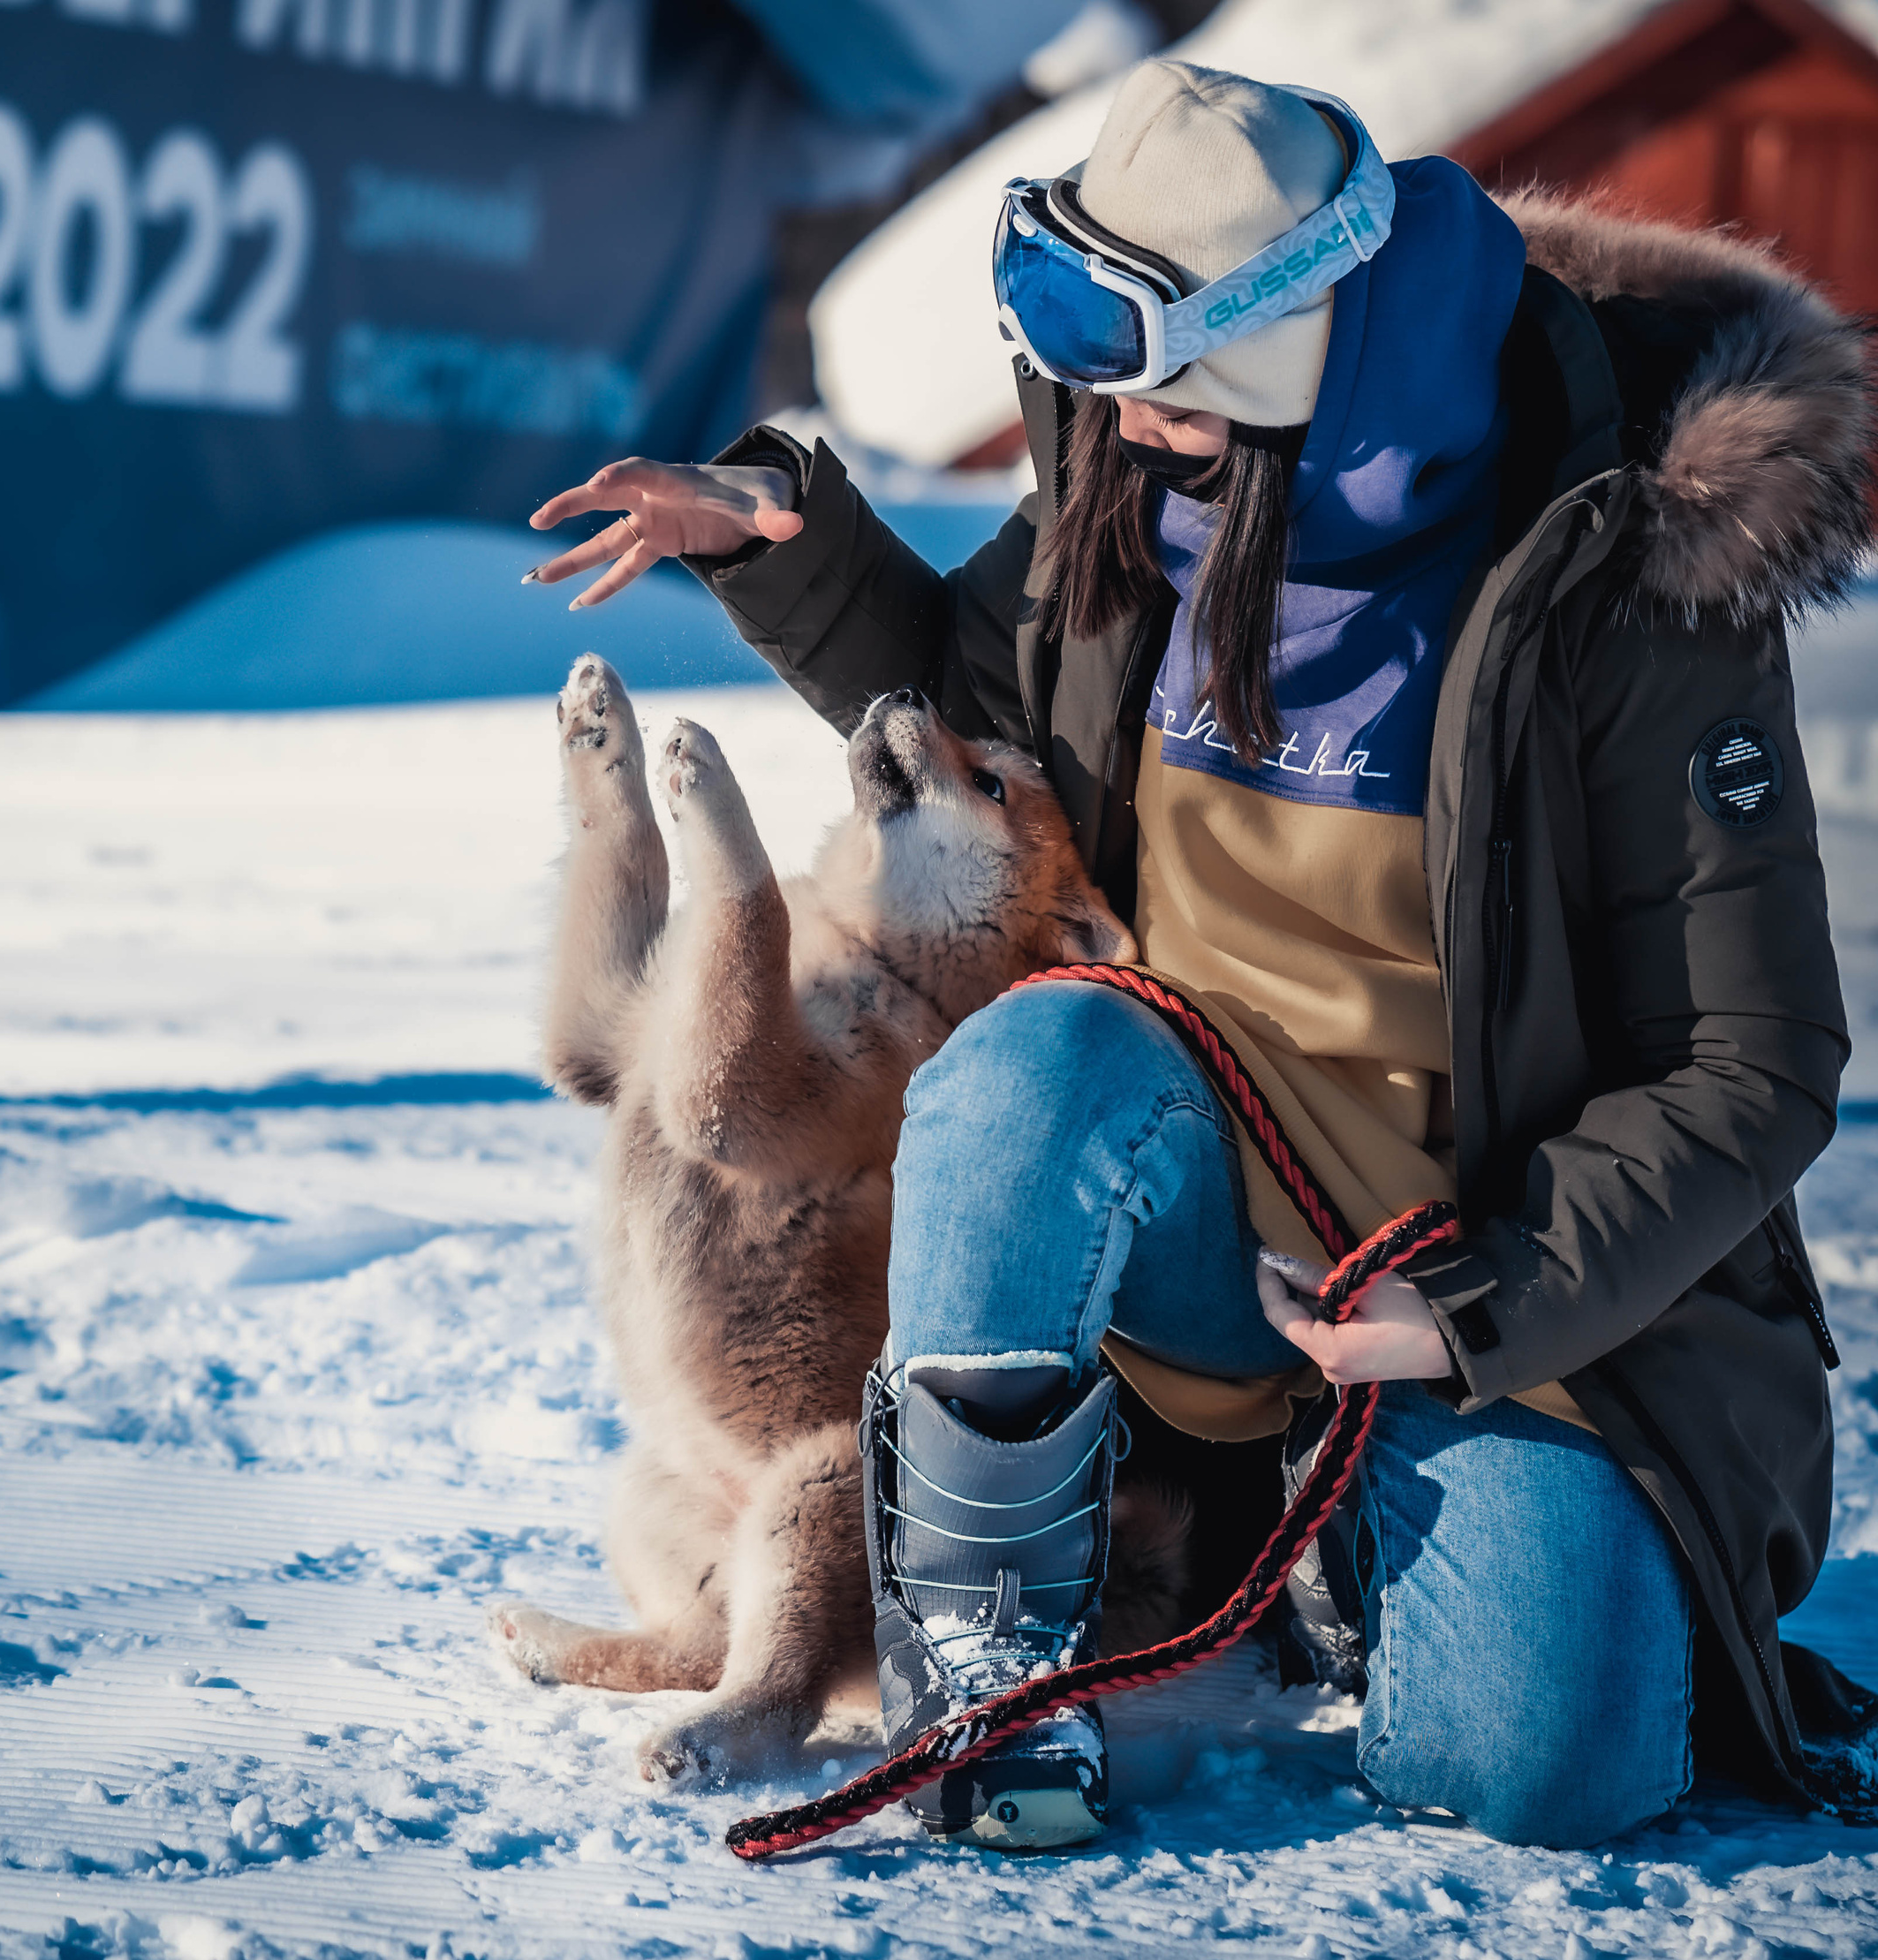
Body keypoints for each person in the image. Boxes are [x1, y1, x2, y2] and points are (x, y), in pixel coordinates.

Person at [522, 60, 1875, 1850]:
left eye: (1150, 383)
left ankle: (1356, 1544)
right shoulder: (1144, 472)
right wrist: (786, 542)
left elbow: (1749, 1060)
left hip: (1492, 1281)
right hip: (1186, 1208)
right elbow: (985, 725)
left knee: (1535, 1776)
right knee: (1025, 1063)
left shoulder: (1609, 561)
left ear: (1284, 349)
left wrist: (1467, 1307)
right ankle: (987, 1662)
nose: (1106, 426)